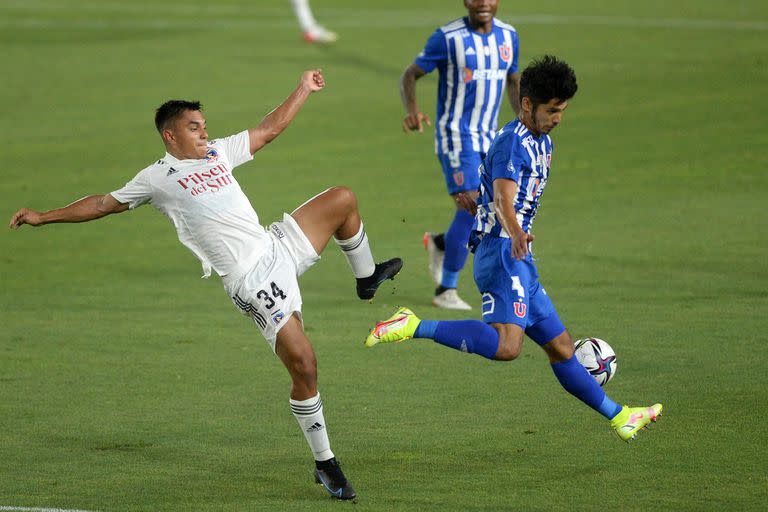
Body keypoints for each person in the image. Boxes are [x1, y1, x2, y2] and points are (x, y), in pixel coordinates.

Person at [9, 70, 403, 500]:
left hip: (277, 246)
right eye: (194, 127)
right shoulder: (156, 178)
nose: (204, 133)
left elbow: (269, 128)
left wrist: (304, 88)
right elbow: (103, 204)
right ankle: (326, 462)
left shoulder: (217, 153)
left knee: (342, 198)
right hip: (251, 281)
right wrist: (43, 216)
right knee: (305, 366)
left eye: (204, 125)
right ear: (170, 135)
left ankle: (366, 278)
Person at [368, 56, 662, 443]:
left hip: (518, 255)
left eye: (562, 110)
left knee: (560, 348)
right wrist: (516, 231)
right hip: (504, 252)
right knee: (508, 346)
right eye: (551, 110)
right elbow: (506, 200)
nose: (558, 117)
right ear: (527, 105)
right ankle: (413, 325)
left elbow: (496, 192)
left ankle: (620, 416)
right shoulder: (513, 142)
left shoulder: (544, 142)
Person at [400, 0, 521, 310]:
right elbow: (410, 75)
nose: (482, 2)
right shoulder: (448, 38)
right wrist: (412, 111)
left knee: (488, 207)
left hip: (489, 136)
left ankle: (441, 244)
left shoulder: (509, 37)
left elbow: (512, 79)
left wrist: (523, 119)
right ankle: (446, 290)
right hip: (456, 134)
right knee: (470, 205)